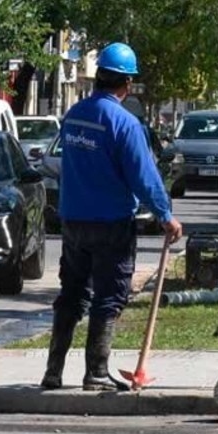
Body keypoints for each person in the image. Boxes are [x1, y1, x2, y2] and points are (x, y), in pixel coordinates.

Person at [41, 42, 183, 391]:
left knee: (72, 294)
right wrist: (166, 214)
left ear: (97, 77)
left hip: (73, 220)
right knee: (109, 295)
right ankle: (96, 373)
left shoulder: (73, 115)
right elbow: (144, 175)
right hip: (111, 223)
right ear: (127, 83)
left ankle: (53, 371)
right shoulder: (125, 123)